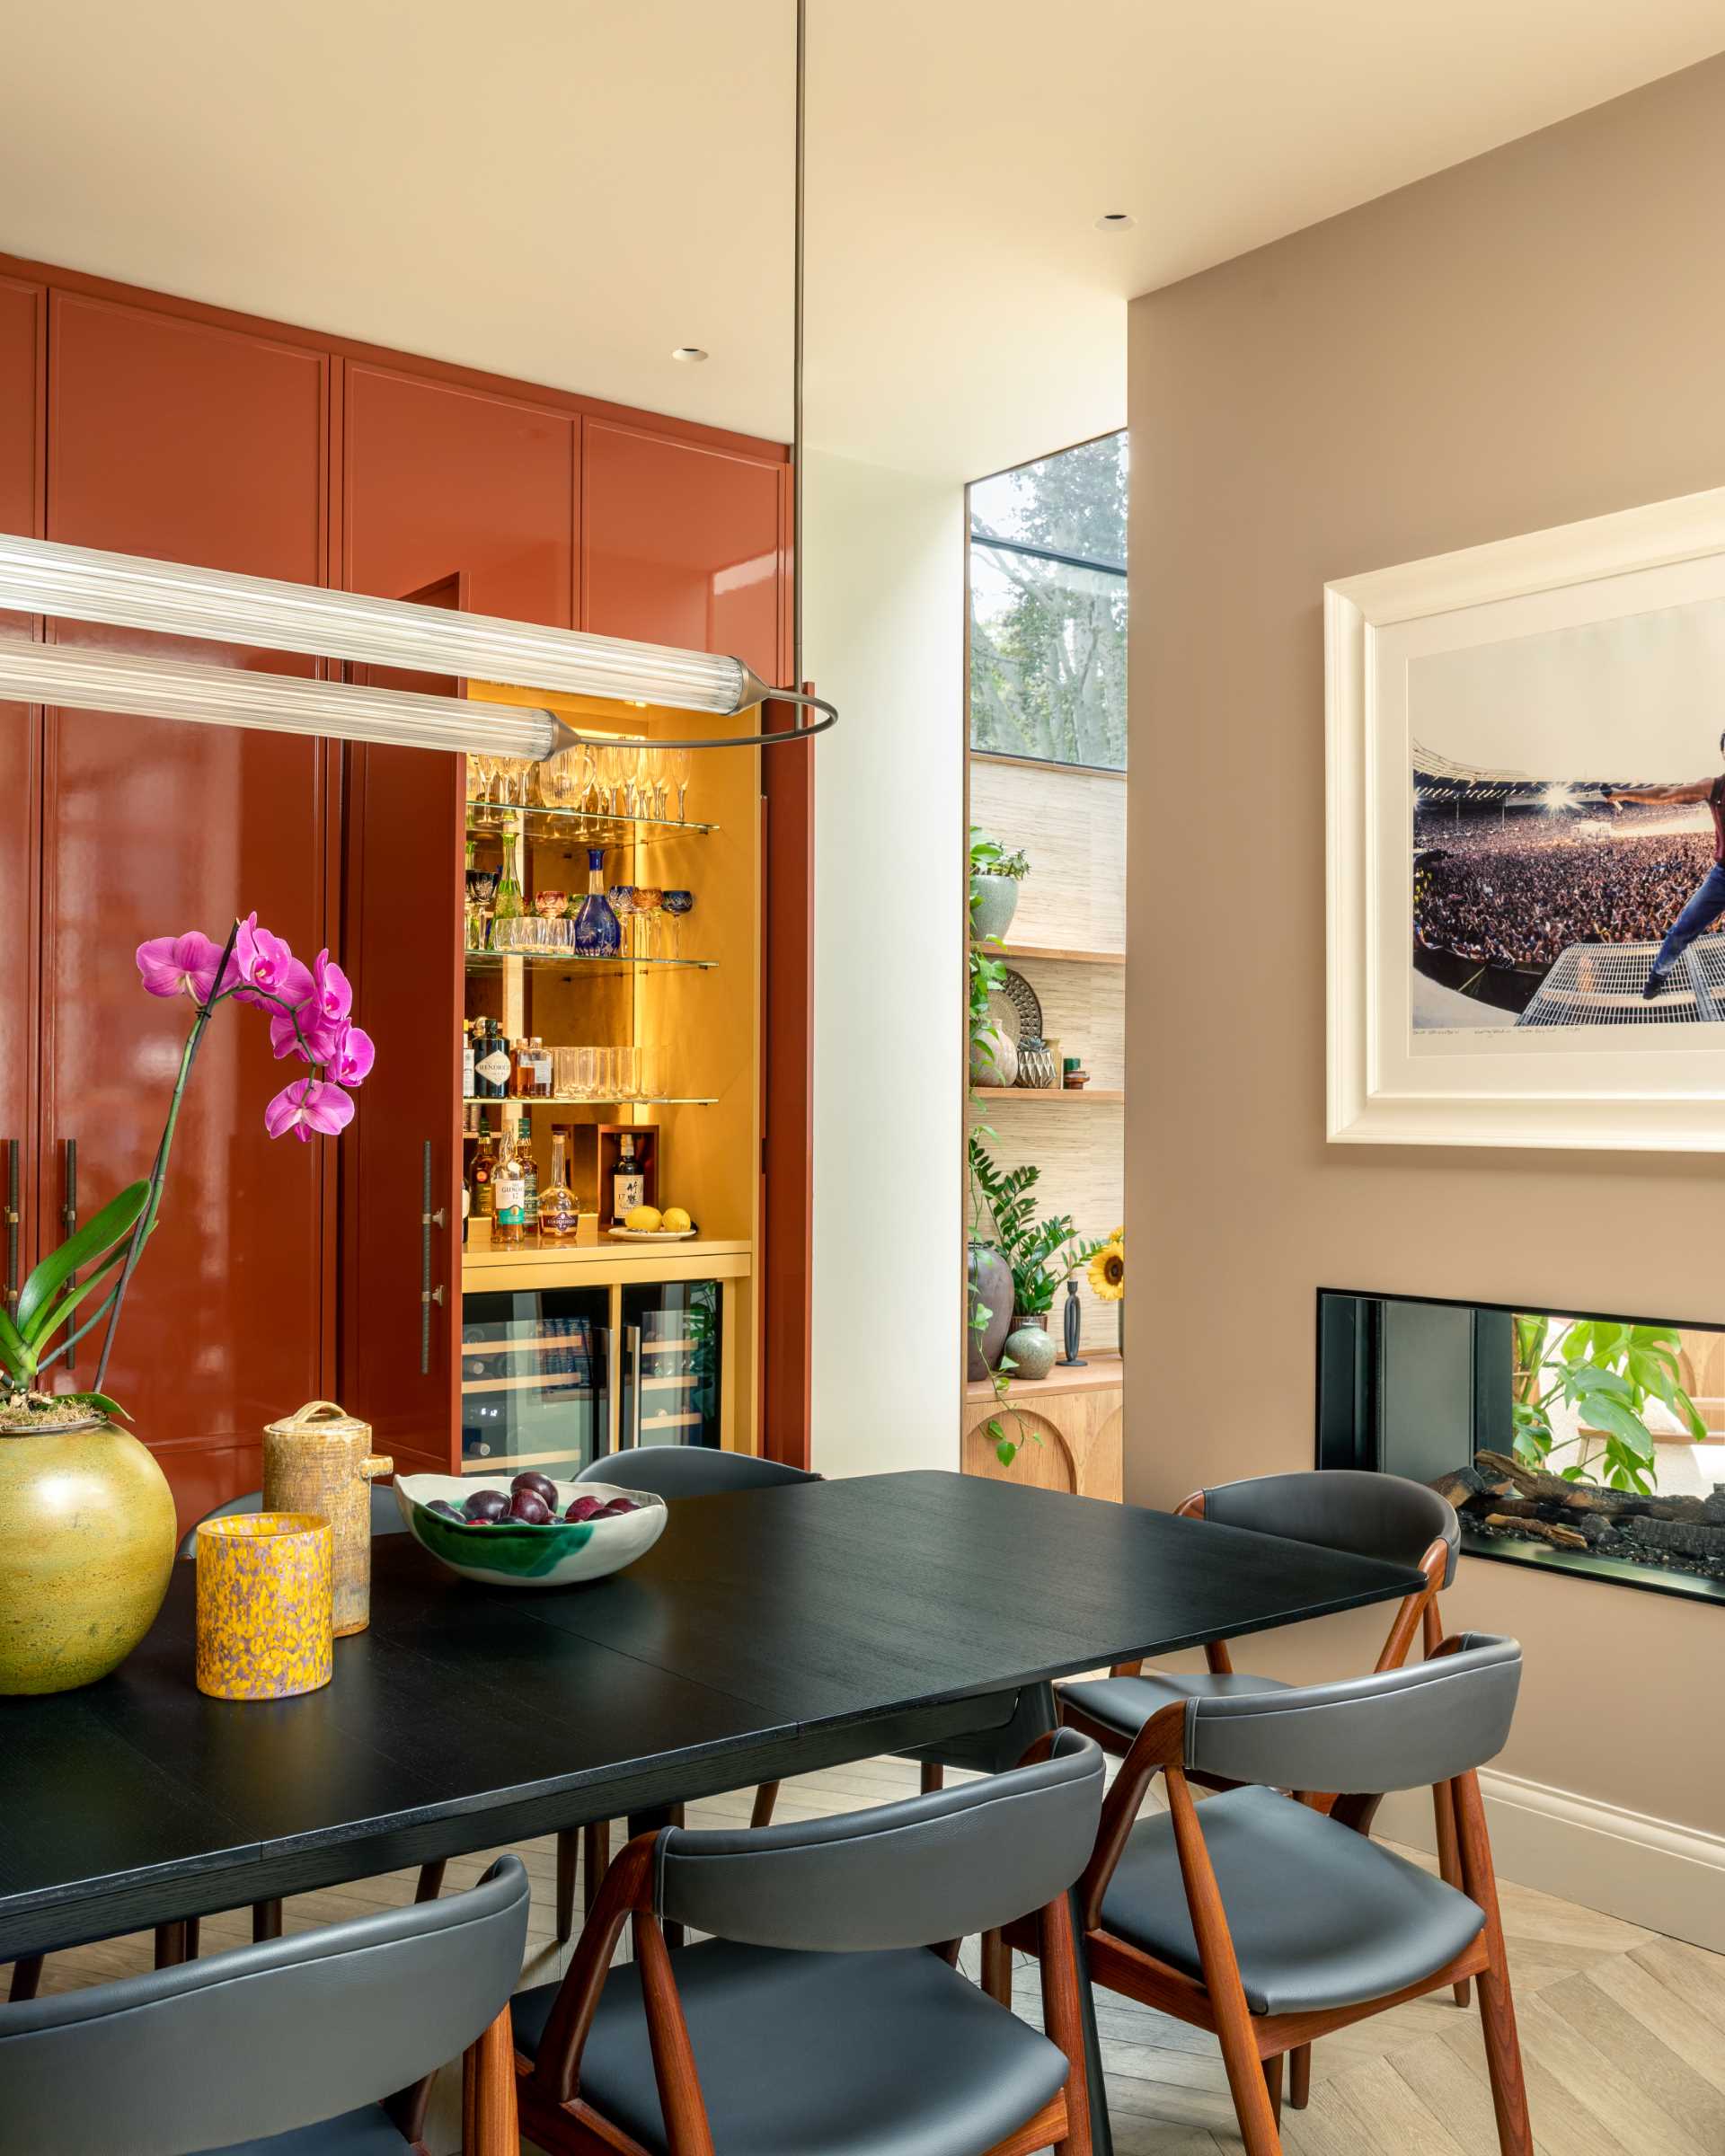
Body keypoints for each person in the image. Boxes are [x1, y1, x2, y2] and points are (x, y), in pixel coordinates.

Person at [1606, 736, 1725, 997]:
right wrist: (1622, 794)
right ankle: (1658, 976)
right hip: (1722, 878)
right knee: (1681, 930)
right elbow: (1666, 794)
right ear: (1723, 754)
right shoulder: (1715, 787)